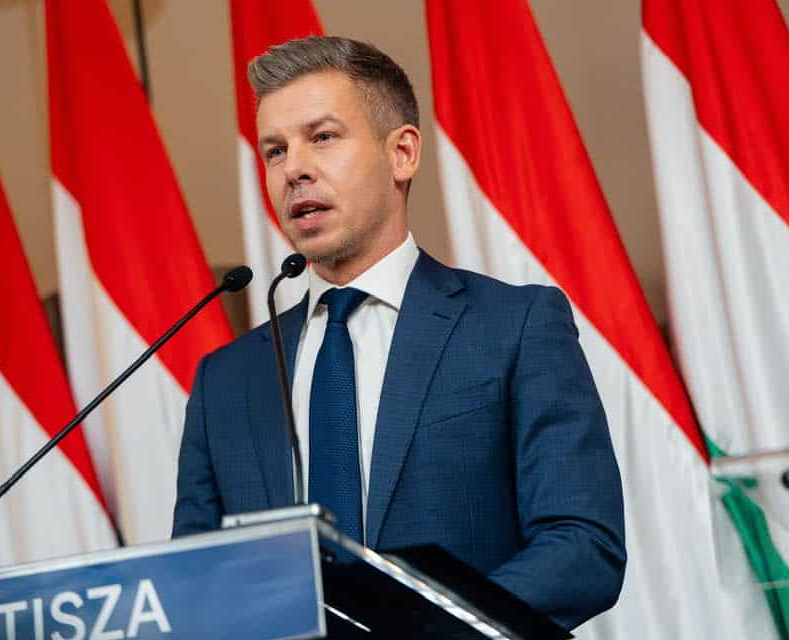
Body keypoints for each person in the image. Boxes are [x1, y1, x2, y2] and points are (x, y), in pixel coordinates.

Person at [173, 36, 625, 629]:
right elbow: (195, 589)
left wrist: (426, 630)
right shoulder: (226, 380)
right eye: (275, 151)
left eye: (322, 137)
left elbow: (583, 547)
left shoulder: (513, 326)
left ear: (403, 154)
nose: (294, 169)